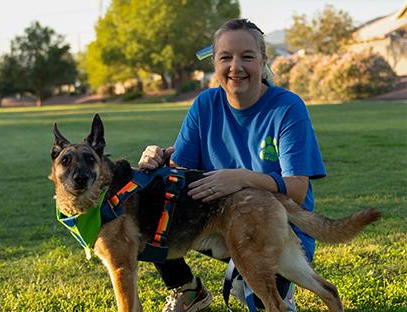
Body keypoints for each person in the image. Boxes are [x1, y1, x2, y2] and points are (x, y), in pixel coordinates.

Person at [138, 18, 326, 312]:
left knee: (261, 299)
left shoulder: (287, 107)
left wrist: (241, 178)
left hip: (278, 228)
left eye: (247, 57)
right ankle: (187, 289)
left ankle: (277, 288)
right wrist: (157, 161)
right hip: (219, 222)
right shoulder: (205, 104)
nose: (235, 67)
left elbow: (298, 190)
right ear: (214, 62)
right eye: (225, 57)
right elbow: (177, 174)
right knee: (151, 202)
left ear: (263, 61)